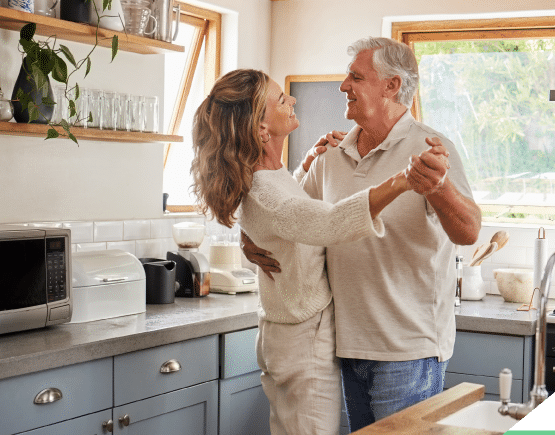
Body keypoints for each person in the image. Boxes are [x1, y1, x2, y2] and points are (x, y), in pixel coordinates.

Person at [189, 69, 443, 435]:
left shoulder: (270, 176)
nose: (291, 100)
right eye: (281, 100)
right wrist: (401, 181)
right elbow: (329, 222)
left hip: (289, 333)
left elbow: (288, 214)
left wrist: (305, 166)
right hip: (302, 340)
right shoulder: (266, 193)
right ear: (262, 130)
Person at [247, 37, 482, 431]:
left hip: (408, 352)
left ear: (392, 85)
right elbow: (294, 224)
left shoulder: (429, 147)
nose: (343, 86)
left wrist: (439, 188)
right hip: (345, 346)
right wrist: (249, 240)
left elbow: (469, 231)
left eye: (355, 77)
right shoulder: (331, 156)